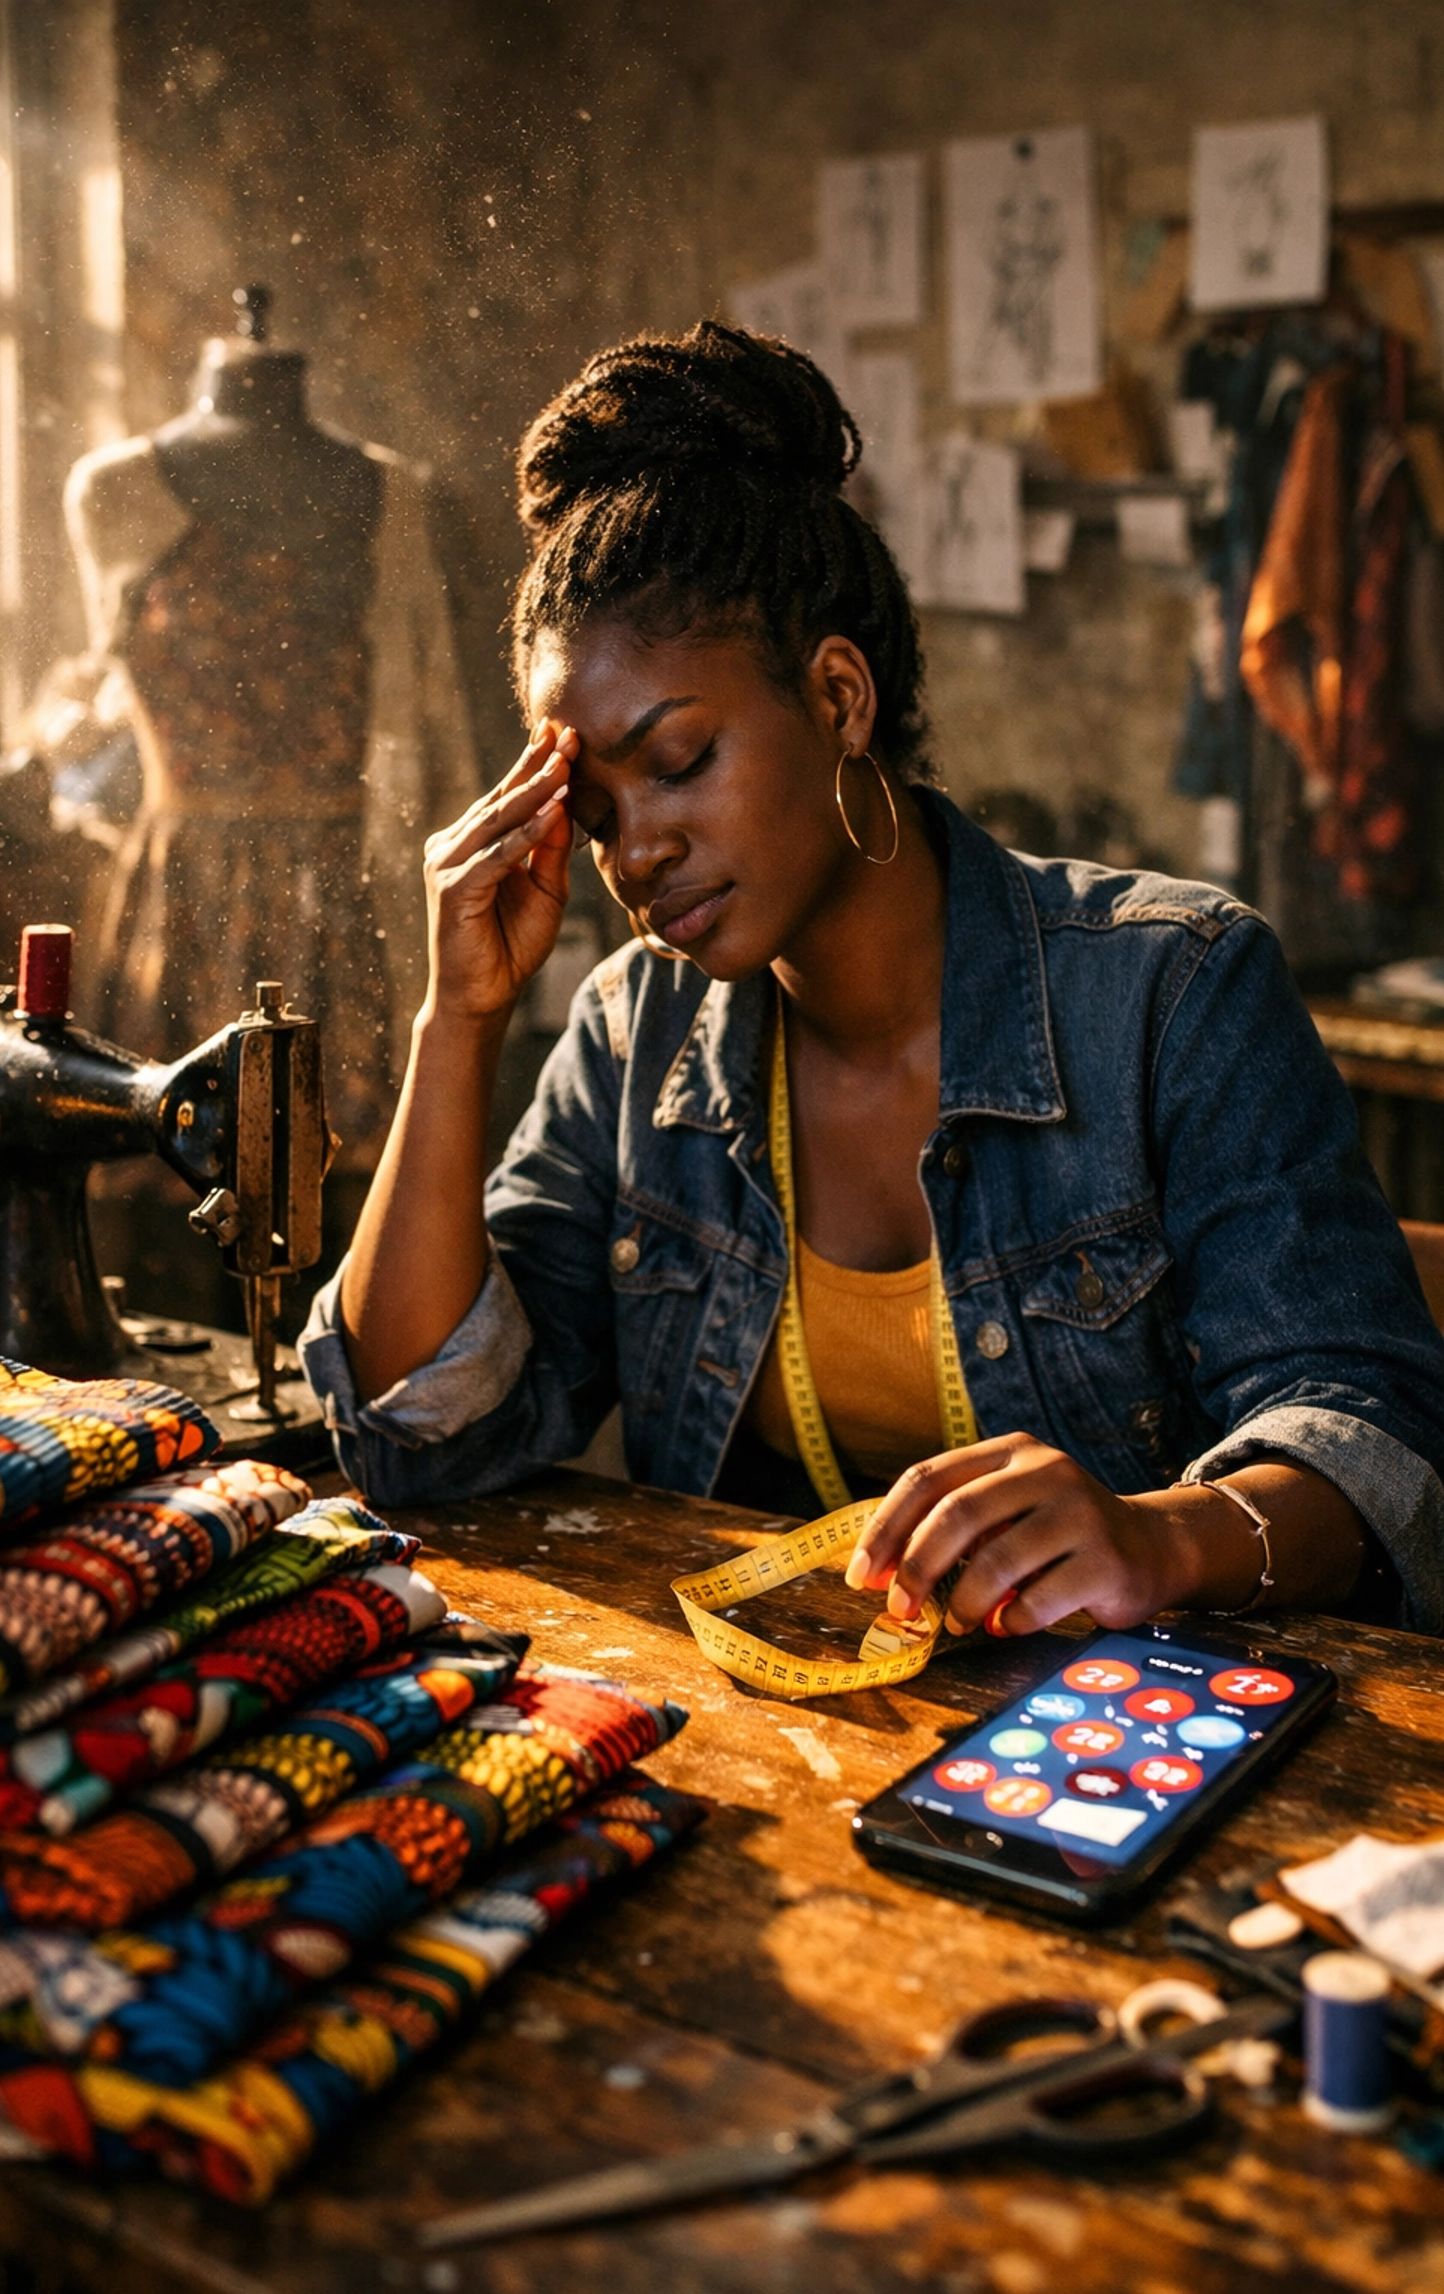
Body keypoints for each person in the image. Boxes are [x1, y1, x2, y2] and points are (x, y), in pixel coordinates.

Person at [302, 322, 1444, 1639]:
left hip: (1138, 1719)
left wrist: (1158, 1540)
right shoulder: (632, 1039)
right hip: (801, 1725)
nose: (637, 850)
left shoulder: (1172, 993)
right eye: (596, 813)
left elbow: (1380, 1443)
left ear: (839, 696)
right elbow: (424, 1434)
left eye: (677, 762)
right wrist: (458, 1018)